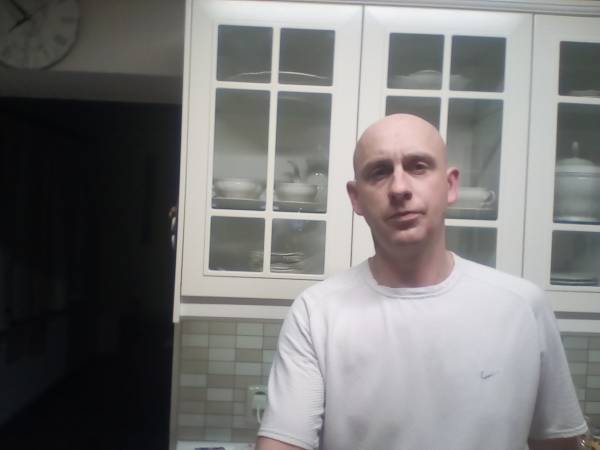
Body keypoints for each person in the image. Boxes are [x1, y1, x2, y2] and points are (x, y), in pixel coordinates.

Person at [255, 114, 587, 450]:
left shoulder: (523, 307)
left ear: (450, 185)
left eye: (418, 166)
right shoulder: (316, 313)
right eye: (379, 172)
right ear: (356, 198)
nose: (399, 188)